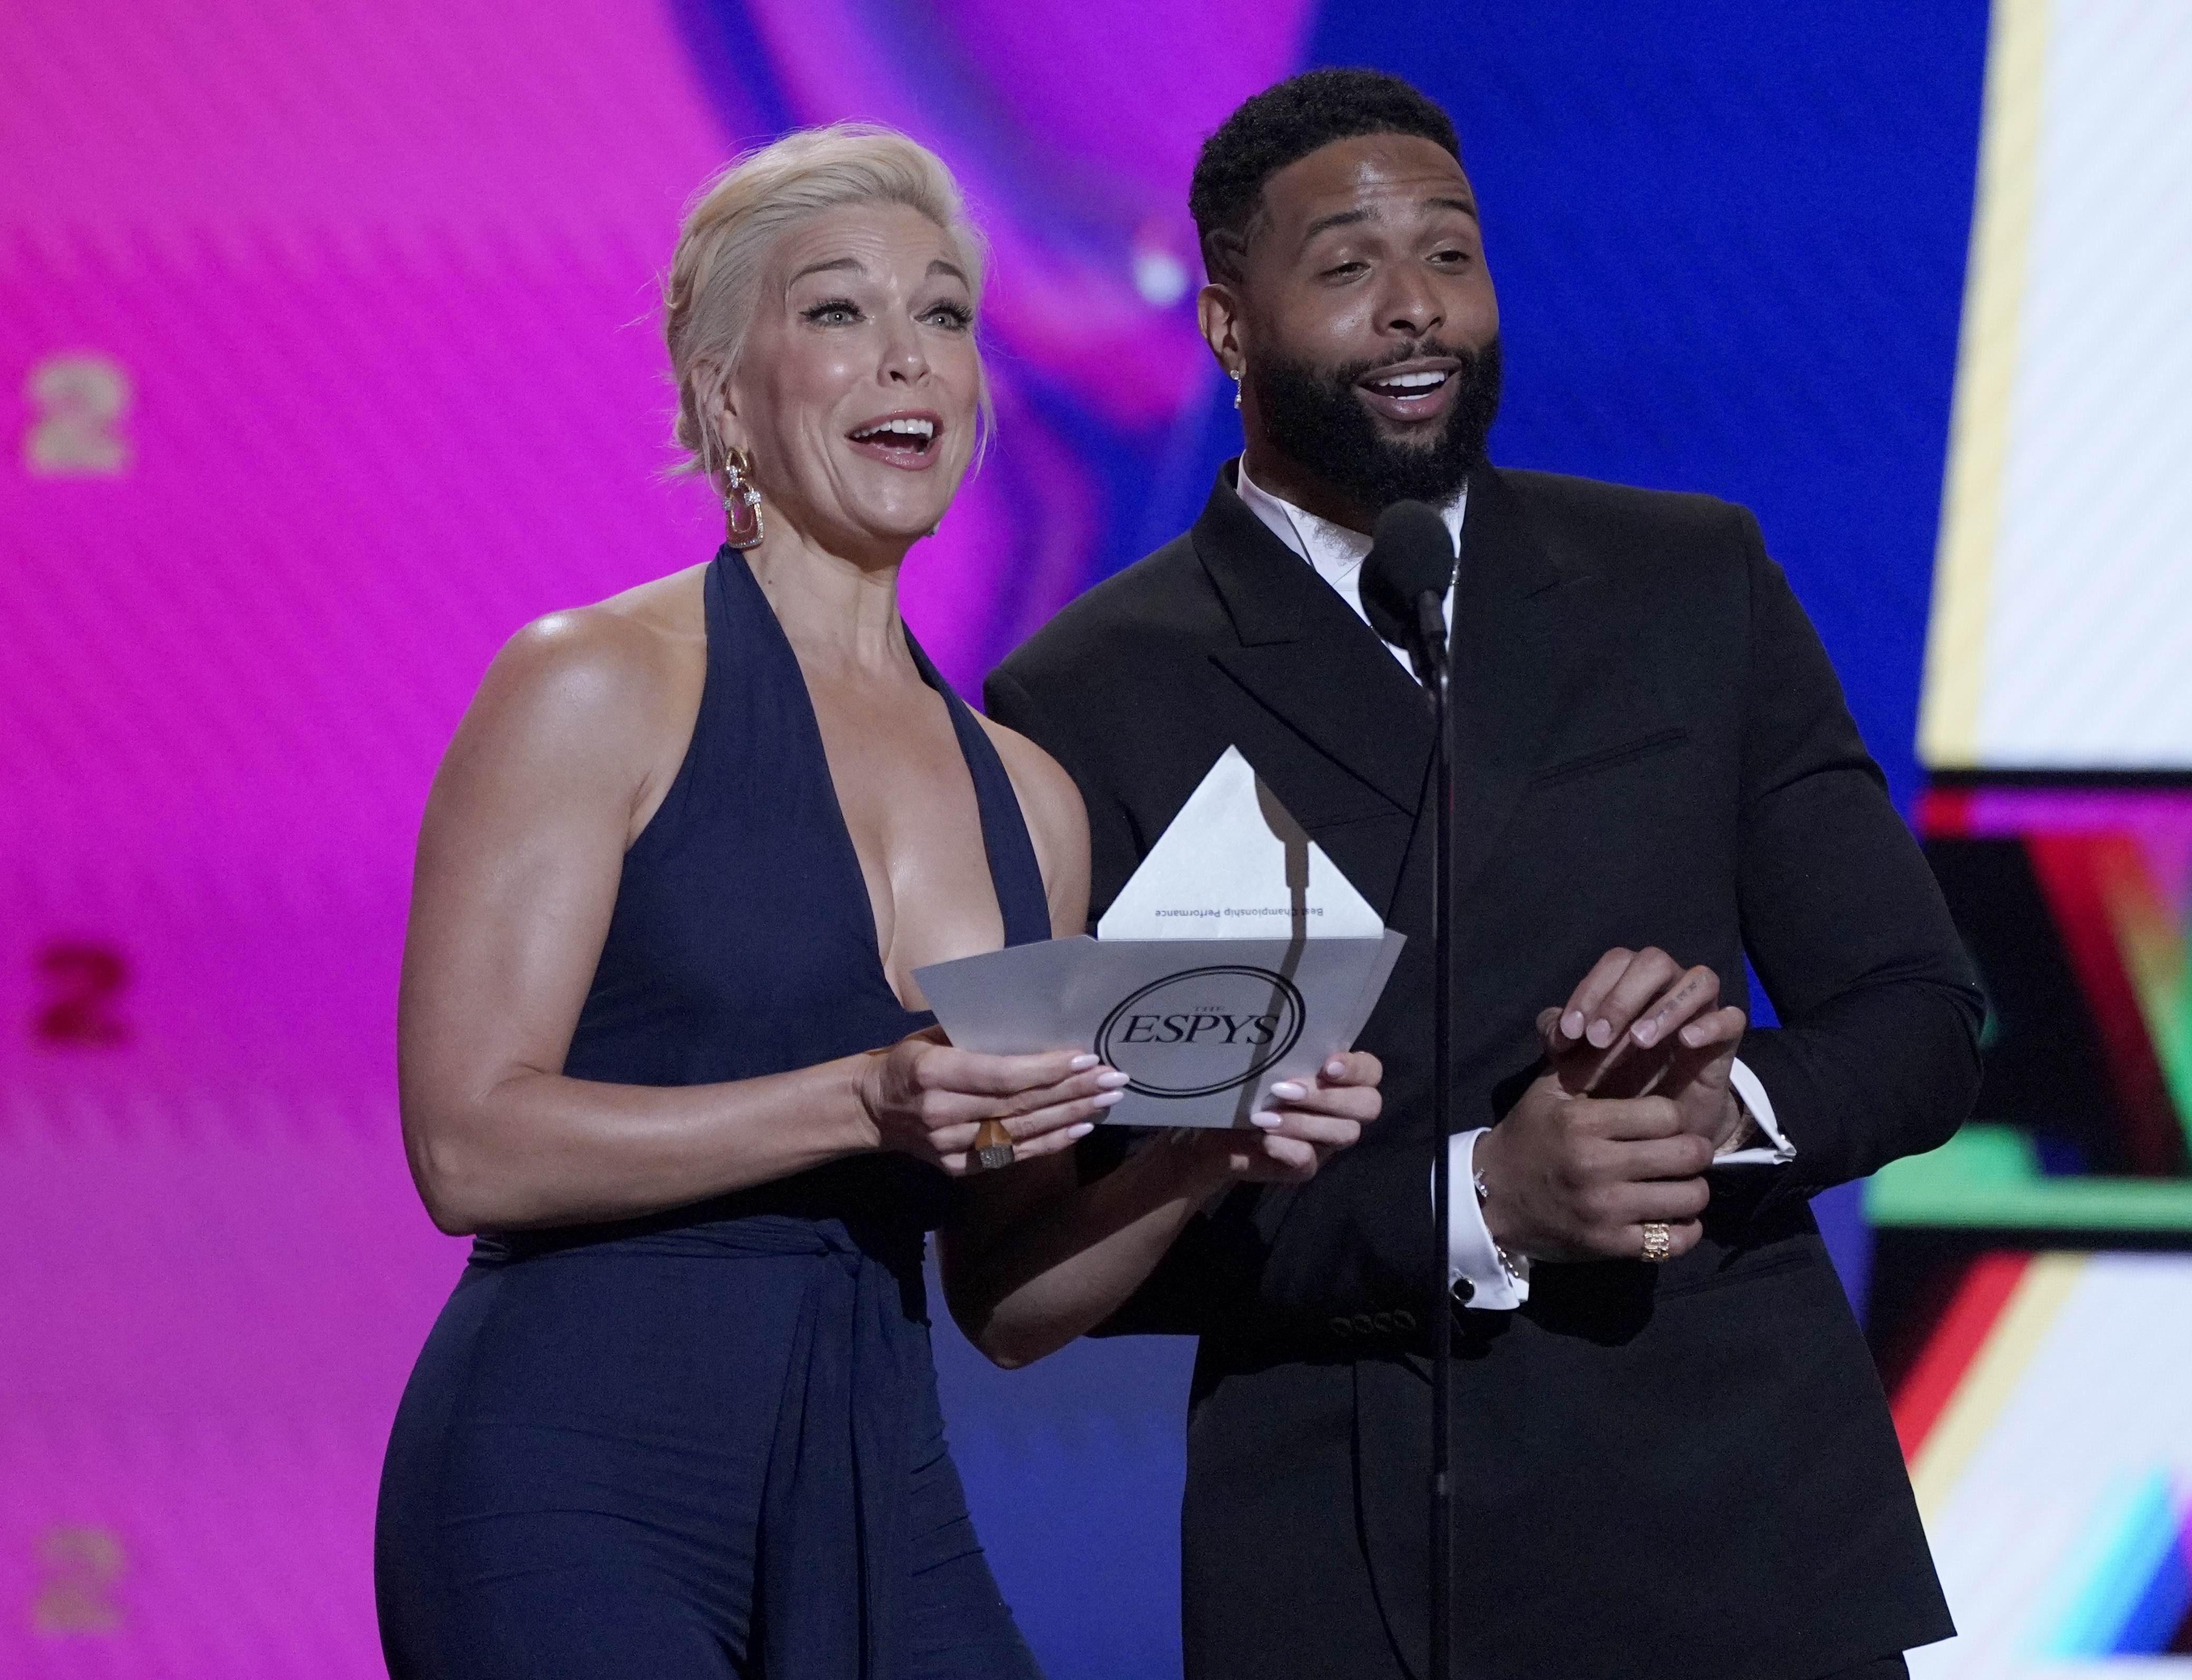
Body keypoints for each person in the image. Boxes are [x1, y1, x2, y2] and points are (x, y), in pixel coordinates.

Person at [977, 71, 1983, 1680]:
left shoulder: (1687, 582)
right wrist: (1477, 1201)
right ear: (1230, 328)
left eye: (1448, 254)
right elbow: (1071, 1246)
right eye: (1348, 267)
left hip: (1741, 1531)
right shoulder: (1093, 694)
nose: (1412, 311)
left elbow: (1922, 1016)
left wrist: (1710, 1114)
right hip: (1353, 1549)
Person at [372, 121, 1381, 1679]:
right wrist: (858, 1097)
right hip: (574, 1476)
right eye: (839, 313)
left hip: (874, 1466)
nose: (907, 358)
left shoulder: (1028, 800)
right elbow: (469, 1144)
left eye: (946, 316)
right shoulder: (595, 684)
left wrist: (1202, 1153)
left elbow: (1002, 1297)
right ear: (726, 393)